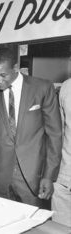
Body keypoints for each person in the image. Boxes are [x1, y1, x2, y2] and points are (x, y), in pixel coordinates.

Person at [0, 48, 62, 207]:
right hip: (1, 179)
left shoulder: (42, 88)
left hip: (34, 178)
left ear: (15, 68)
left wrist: (49, 176)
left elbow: (54, 135)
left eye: (3, 75)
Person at [51, 77, 71, 227]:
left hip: (64, 174)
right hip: (64, 177)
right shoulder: (66, 87)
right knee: (59, 228)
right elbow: (58, 133)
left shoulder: (66, 86)